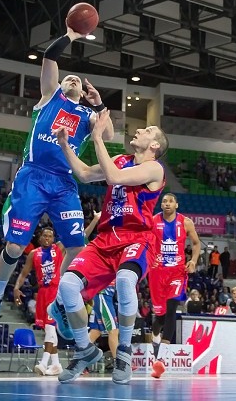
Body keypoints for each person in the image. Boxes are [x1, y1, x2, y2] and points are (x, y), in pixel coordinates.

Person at [0, 24, 114, 335]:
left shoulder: (86, 114)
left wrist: (98, 103)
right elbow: (49, 56)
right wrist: (71, 34)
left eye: (76, 81)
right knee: (15, 247)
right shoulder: (49, 96)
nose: (71, 80)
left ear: (82, 92)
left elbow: (108, 134)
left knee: (77, 247)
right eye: (67, 77)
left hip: (64, 183)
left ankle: (58, 303)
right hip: (33, 177)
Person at [48, 111, 167, 385]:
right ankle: (85, 350)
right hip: (105, 241)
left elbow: (113, 178)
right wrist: (65, 145)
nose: (139, 130)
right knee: (66, 286)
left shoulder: (154, 168)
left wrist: (99, 136)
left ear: (155, 146)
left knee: (126, 280)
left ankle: (124, 352)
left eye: (147, 130)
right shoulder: (120, 160)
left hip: (137, 237)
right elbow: (85, 174)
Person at [148, 192, 201, 379]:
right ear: (161, 205)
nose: (167, 203)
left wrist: (193, 261)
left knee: (172, 309)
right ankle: (155, 338)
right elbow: (143, 242)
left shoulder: (185, 222)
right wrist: (148, 260)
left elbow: (196, 243)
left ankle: (160, 359)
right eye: (164, 201)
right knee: (159, 318)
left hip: (178, 273)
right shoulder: (153, 221)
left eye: (170, 201)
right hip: (156, 273)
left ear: (176, 205)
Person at [13, 226, 65, 376]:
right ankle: (56, 365)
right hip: (42, 292)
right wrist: (16, 288)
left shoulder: (59, 248)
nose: (47, 238)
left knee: (50, 328)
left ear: (53, 238)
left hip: (55, 292)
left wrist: (93, 221)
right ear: (40, 238)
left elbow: (79, 235)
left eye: (50, 236)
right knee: (49, 330)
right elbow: (23, 274)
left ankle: (43, 363)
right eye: (45, 236)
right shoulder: (34, 254)